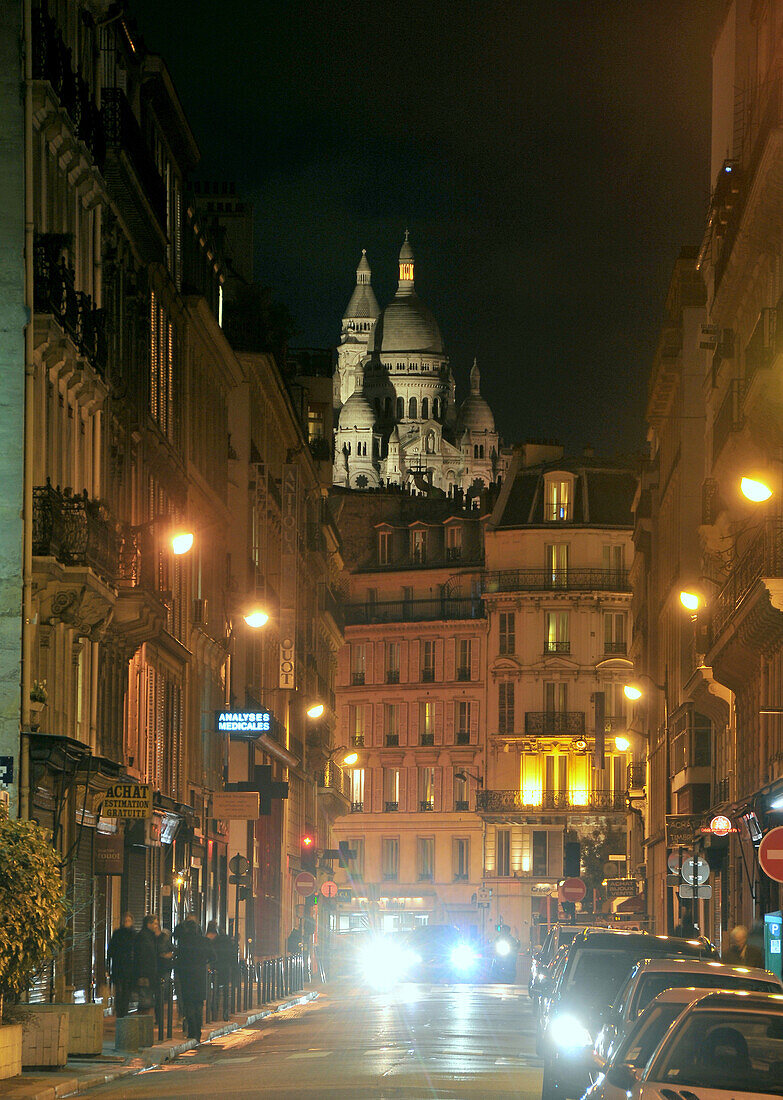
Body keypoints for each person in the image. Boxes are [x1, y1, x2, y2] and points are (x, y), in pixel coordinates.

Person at [174, 915, 215, 1041]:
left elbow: (178, 959)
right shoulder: (204, 941)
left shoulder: (183, 942)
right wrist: (205, 961)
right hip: (200, 975)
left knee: (188, 1004)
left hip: (186, 976)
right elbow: (213, 956)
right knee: (198, 1004)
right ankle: (198, 1030)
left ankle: (192, 1031)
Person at [205, 920, 236, 1021]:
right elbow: (232, 954)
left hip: (216, 967)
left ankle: (214, 1008)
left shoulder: (212, 940)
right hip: (225, 967)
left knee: (215, 990)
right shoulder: (226, 940)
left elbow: (211, 955)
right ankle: (225, 1011)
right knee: (225, 989)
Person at [107, 912, 136, 1017]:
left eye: (128, 921)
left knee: (127, 991)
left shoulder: (134, 935)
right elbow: (111, 950)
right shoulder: (117, 934)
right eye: (125, 921)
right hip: (118, 967)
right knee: (119, 990)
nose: (126, 923)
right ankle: (120, 1011)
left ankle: (124, 1010)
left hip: (129, 967)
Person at [134, 915, 159, 1015]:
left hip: (149, 973)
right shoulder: (144, 937)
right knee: (145, 1001)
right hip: (145, 974)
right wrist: (143, 975)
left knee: (147, 1001)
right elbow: (142, 956)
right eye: (155, 923)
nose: (157, 926)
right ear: (149, 924)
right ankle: (142, 1025)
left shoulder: (151, 937)